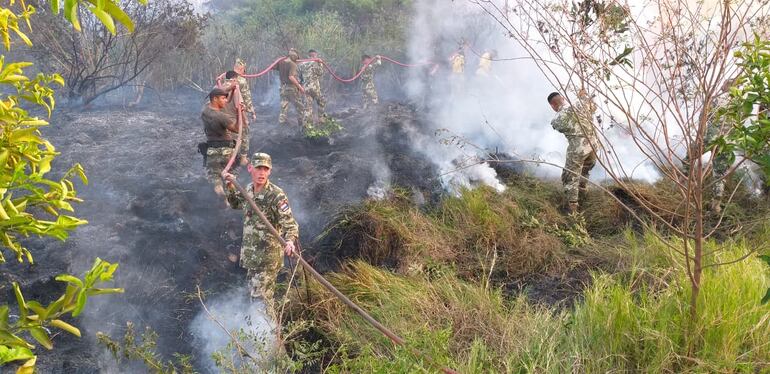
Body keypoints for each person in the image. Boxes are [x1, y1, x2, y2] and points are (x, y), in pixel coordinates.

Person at [223, 153, 299, 321]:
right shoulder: (248, 189)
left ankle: (270, 341)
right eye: (258, 168)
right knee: (257, 297)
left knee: (260, 300)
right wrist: (229, 185)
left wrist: (290, 241)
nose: (261, 172)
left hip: (267, 258)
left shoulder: (276, 195)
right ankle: (261, 335)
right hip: (252, 257)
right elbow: (236, 203)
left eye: (265, 169)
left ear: (270, 171)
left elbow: (290, 223)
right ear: (251, 168)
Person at [548, 91, 597, 213]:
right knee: (586, 168)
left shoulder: (558, 118)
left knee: (570, 178)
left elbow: (558, 126)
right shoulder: (581, 104)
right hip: (593, 145)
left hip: (578, 149)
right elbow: (593, 107)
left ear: (553, 105)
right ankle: (583, 191)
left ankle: (573, 211)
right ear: (563, 98)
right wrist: (583, 97)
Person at [201, 88, 240, 196]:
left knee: (216, 178)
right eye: (223, 98)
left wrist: (230, 88)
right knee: (229, 176)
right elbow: (237, 129)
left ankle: (220, 192)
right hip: (226, 150)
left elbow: (212, 96)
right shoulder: (222, 117)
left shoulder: (205, 111)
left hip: (211, 149)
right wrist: (239, 113)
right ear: (215, 99)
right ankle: (230, 200)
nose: (225, 101)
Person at [274, 49, 309, 130]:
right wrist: (300, 87)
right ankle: (302, 127)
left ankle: (280, 127)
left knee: (284, 107)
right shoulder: (292, 64)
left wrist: (280, 61)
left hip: (283, 88)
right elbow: (291, 77)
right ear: (294, 56)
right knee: (300, 107)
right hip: (291, 88)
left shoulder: (281, 62)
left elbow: (273, 67)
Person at [300, 49, 327, 122]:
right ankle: (321, 119)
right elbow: (320, 73)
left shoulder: (302, 64)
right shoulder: (316, 63)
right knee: (321, 102)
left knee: (307, 107)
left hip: (305, 88)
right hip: (315, 88)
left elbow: (300, 77)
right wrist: (320, 64)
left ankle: (307, 125)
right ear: (315, 55)